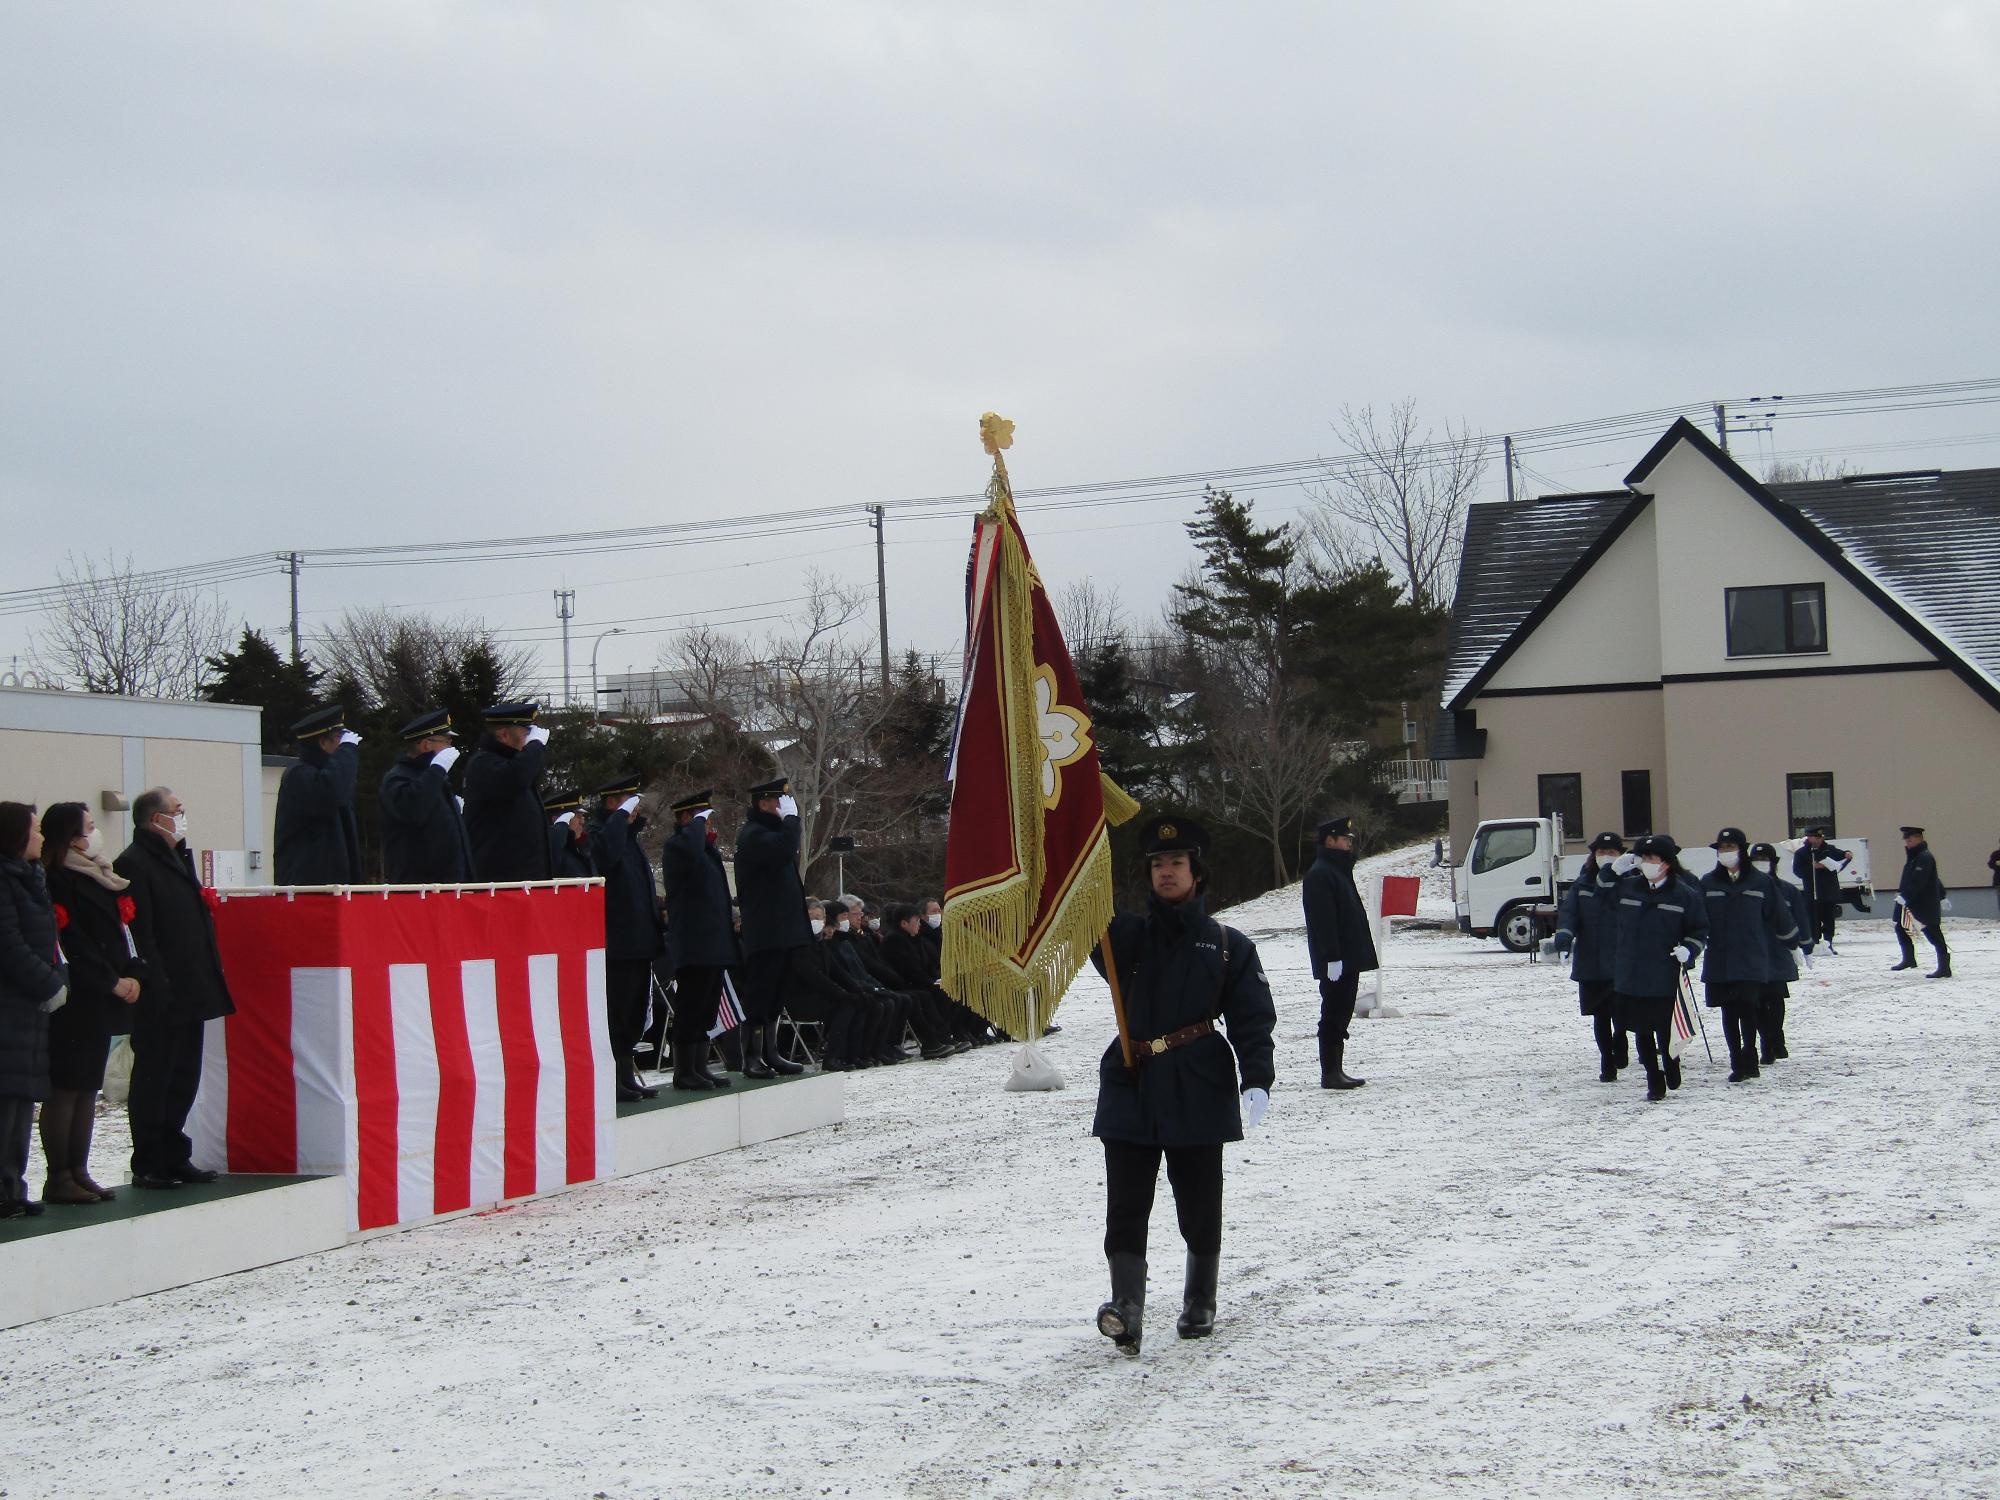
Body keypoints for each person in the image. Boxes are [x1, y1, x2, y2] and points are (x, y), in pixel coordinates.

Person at [1089, 816, 1275, 1354]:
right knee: (1126, 1203)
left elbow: (1251, 1018)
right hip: (1132, 1078)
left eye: (1176, 863)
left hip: (1198, 1081)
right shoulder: (1121, 936)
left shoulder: (1225, 945)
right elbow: (1077, 915)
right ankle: (1127, 1306)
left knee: (1198, 1199)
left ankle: (1200, 1299)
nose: (1165, 873)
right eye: (1156, 865)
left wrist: (1257, 1076)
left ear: (1197, 871)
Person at [115, 787, 237, 1188]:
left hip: (191, 986)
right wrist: (156, 981)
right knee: (156, 1075)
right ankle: (149, 1159)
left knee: (185, 1074)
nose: (182, 817)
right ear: (155, 819)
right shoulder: (134, 863)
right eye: (176, 811)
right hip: (161, 991)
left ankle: (174, 1152)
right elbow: (141, 931)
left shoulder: (178, 857)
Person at [39, 802, 142, 1204]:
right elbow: (73, 941)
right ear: (70, 836)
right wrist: (110, 980)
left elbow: (120, 931)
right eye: (88, 828)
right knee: (66, 1085)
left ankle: (79, 1169)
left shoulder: (101, 875)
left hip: (104, 994)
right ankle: (59, 1174)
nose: (93, 835)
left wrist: (134, 973)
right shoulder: (58, 878)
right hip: (79, 996)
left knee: (87, 1087)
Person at [1609, 834, 1708, 1104]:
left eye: (1651, 859)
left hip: (1665, 972)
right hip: (1632, 971)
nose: (1646, 863)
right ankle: (1653, 1077)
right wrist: (1611, 873)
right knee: (1641, 1029)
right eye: (1643, 858)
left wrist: (1690, 948)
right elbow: (1600, 898)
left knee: (1665, 1028)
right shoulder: (1628, 888)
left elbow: (1699, 928)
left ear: (1665, 863)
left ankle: (1671, 1061)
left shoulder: (1684, 894)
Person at [0, 803, 62, 1219]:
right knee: (6, 1100)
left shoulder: (31, 877)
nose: (41, 837)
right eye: (35, 830)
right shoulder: (5, 879)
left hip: (29, 1008)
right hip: (10, 1007)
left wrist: (57, 978)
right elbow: (9, 944)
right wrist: (47, 981)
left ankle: (12, 1185)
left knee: (22, 1099)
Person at [1699, 827, 1797, 1084]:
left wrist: (1794, 943)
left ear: (1742, 851)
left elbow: (1778, 915)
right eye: (1722, 849)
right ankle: (1736, 1059)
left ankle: (1750, 1053)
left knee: (1748, 1008)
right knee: (1728, 1011)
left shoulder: (1760, 882)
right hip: (1719, 958)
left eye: (1730, 848)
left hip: (1751, 957)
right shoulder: (1708, 883)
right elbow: (1694, 917)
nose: (1726, 853)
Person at [590, 774, 665, 1101]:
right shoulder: (599, 835)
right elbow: (604, 857)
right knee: (615, 1013)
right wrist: (620, 820)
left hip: (639, 942)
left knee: (634, 1013)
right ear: (611, 803)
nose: (635, 810)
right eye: (626, 802)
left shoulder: (631, 840)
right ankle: (612, 1078)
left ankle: (625, 1071)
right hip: (616, 943)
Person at [733, 777, 811, 1080]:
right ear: (764, 803)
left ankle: (770, 1051)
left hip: (783, 930)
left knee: (776, 993)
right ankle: (751, 1056)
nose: (784, 807)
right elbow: (783, 849)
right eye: (779, 801)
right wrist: (792, 821)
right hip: (765, 930)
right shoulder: (753, 835)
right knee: (760, 993)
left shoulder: (773, 833)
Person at [659, 790, 738, 1091]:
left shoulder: (707, 850)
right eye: (700, 819)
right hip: (693, 942)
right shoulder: (678, 847)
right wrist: (693, 828)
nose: (706, 826)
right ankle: (684, 1070)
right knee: (690, 1006)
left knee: (707, 1007)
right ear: (685, 819)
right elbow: (689, 851)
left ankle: (699, 1066)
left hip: (713, 942)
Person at [1546, 832, 1629, 1082]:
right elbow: (1570, 914)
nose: (1606, 857)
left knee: (1621, 1011)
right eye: (1601, 853)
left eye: (1612, 853)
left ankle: (1621, 1039)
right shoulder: (1582, 885)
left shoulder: (1630, 883)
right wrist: (1564, 935)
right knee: (1600, 1015)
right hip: (1591, 960)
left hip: (1622, 959)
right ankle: (1607, 1061)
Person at [1301, 815, 1376, 1090]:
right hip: (1337, 960)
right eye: (1344, 839)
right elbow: (1323, 921)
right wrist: (1332, 957)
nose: (1348, 845)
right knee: (1333, 1012)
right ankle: (1330, 1072)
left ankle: (1336, 1069)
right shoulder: (1321, 874)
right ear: (1329, 840)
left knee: (1342, 1011)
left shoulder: (1337, 870)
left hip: (1346, 958)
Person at [834, 895, 957, 1059]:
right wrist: (890, 982)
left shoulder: (863, 936)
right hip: (877, 984)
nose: (860, 917)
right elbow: (871, 965)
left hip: (884, 982)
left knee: (926, 994)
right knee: (915, 997)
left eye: (860, 913)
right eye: (856, 914)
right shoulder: (886, 939)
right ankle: (926, 1041)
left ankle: (940, 1037)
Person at [460, 701, 553, 882]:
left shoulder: (512, 763)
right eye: (526, 733)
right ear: (503, 734)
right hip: (499, 878)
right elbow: (514, 779)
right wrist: (535, 747)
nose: (529, 738)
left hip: (523, 877)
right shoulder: (483, 764)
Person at [273, 703, 363, 885]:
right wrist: (347, 752)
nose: (343, 744)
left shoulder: (328, 774)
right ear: (323, 742)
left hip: (333, 885)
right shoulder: (298, 775)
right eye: (339, 738)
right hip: (308, 886)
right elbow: (331, 793)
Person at [378, 708, 469, 884]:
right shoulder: (398, 778)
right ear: (426, 744)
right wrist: (437, 769)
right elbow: (412, 810)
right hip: (419, 885)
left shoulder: (433, 777)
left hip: (447, 883)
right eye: (446, 741)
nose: (450, 746)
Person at [789, 899, 882, 1071]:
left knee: (863, 1002)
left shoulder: (821, 943)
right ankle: (833, 1057)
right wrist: (843, 994)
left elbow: (837, 972)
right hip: (801, 999)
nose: (817, 922)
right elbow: (815, 977)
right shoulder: (797, 947)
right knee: (846, 1005)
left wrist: (857, 989)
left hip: (823, 995)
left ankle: (855, 1054)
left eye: (820, 918)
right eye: (812, 917)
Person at [1750, 842, 1813, 1064]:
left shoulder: (1787, 890)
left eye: (1765, 860)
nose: (1760, 865)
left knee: (1776, 998)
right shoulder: (1745, 889)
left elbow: (1800, 917)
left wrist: (1805, 945)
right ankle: (1767, 1042)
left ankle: (1775, 1038)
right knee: (1755, 1000)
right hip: (1752, 952)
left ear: (1774, 863)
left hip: (1778, 950)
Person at [1891, 825, 1951, 979]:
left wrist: (1906, 895)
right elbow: (1932, 877)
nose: (1907, 843)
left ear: (1919, 838)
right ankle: (1909, 959)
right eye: (1906, 840)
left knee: (1933, 933)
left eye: (1910, 839)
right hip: (1909, 903)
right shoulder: (1915, 856)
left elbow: (1921, 880)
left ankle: (1944, 967)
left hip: (1922, 903)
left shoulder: (1924, 857)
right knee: (1900, 926)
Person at [1790, 828, 1852, 954]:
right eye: (1815, 838)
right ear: (1809, 838)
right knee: (1813, 919)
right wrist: (1812, 867)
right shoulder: (1802, 853)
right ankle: (1815, 943)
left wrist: (1847, 853)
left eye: (1820, 838)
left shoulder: (1829, 849)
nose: (1818, 840)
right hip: (1812, 891)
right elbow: (1797, 870)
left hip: (1829, 891)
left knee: (1829, 919)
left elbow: (1841, 855)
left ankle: (1829, 943)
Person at [545, 790, 593, 880]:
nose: (582, 822)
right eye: (577, 817)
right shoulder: (553, 851)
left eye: (582, 816)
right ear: (557, 820)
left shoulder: (581, 848)